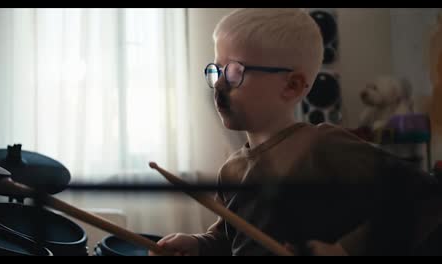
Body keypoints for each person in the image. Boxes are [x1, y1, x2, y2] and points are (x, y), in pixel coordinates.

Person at [150, 8, 440, 256]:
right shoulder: (232, 170)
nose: (218, 85)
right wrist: (199, 245)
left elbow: (424, 196)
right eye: (216, 71)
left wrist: (344, 249)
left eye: (235, 72)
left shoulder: (323, 146)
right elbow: (230, 238)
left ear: (291, 86)